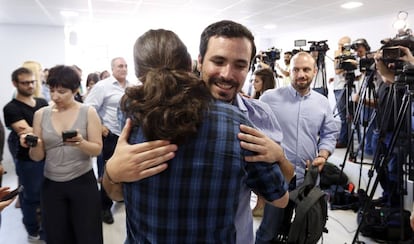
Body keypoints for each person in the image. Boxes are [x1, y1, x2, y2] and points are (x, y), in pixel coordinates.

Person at [104, 21, 294, 243]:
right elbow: (280, 196)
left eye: (240, 65)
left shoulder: (134, 116)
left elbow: (280, 191)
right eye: (218, 61)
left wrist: (279, 156)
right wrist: (112, 171)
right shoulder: (236, 123)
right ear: (197, 62)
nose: (227, 74)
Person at [256, 52, 338, 243]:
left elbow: (330, 133)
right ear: (289, 72)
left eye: (306, 69)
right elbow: (255, 129)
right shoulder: (269, 98)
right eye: (296, 69)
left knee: (304, 230)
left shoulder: (322, 103)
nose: (301, 74)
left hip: (307, 178)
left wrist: (323, 155)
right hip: (277, 177)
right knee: (269, 230)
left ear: (315, 71)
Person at [24, 65, 103, 244]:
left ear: (75, 90)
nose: (55, 96)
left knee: (88, 235)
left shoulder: (87, 112)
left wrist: (81, 142)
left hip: (82, 182)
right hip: (52, 185)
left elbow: (97, 149)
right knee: (57, 236)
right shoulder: (40, 115)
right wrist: (36, 144)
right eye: (52, 90)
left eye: (61, 91)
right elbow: (36, 157)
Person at [3, 67, 48, 241]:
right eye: (25, 83)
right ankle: (32, 230)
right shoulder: (11, 108)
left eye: (32, 82)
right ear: (15, 83)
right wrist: (47, 131)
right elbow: (29, 133)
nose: (30, 86)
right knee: (30, 196)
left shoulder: (42, 102)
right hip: (27, 160)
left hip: (47, 155)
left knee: (46, 195)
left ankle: (45, 228)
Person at [84, 57, 130, 224]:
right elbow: (88, 107)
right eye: (120, 66)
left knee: (124, 169)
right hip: (109, 136)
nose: (123, 69)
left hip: (126, 135)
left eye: (125, 66)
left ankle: (119, 196)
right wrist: (100, 125)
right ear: (112, 69)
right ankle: (104, 207)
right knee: (107, 173)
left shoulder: (131, 87)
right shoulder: (102, 86)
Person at [331, 36, 352, 148]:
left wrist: (338, 57)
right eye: (339, 44)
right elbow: (337, 71)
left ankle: (344, 140)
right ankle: (344, 137)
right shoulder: (339, 55)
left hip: (345, 87)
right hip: (338, 87)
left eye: (342, 45)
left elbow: (338, 70)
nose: (339, 47)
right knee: (342, 115)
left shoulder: (350, 56)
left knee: (345, 116)